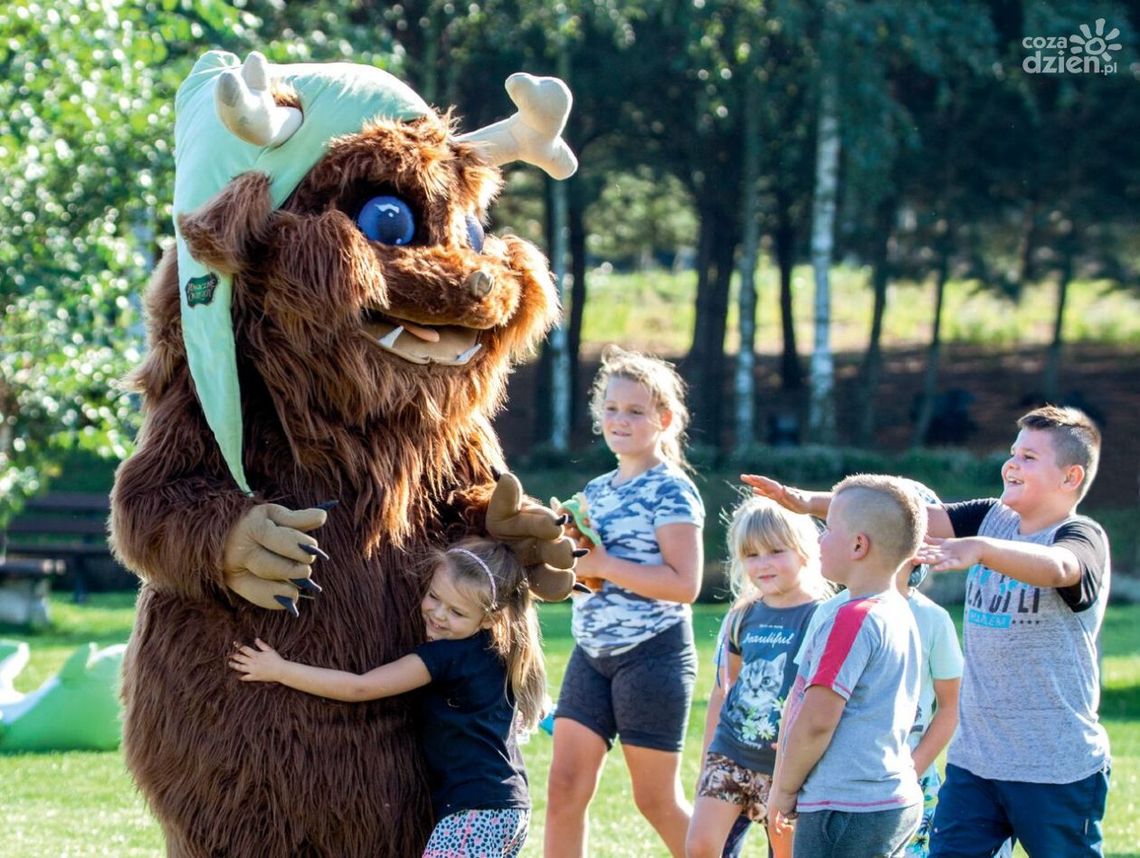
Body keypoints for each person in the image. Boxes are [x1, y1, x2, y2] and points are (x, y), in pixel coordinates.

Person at [744, 405, 1112, 857]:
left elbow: (1061, 569)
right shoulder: (990, 516)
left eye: (1030, 457)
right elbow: (896, 518)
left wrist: (981, 549)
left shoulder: (1081, 536)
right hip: (976, 764)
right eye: (1013, 452)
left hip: (1056, 767)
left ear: (1070, 477)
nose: (1012, 463)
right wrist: (808, 502)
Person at [229, 537, 544, 858]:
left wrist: (280, 670)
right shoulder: (495, 652)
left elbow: (361, 687)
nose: (437, 614)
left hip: (474, 814)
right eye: (434, 596)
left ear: (490, 619)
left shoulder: (446, 657)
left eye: (456, 612)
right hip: (508, 808)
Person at [545, 345, 705, 858]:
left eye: (635, 411)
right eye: (611, 409)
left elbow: (686, 585)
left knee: (655, 799)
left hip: (652, 654)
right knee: (565, 787)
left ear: (664, 419)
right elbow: (587, 573)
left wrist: (606, 566)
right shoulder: (596, 489)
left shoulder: (673, 491)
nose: (620, 420)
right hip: (590, 656)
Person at [767, 475, 926, 858]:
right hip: (891, 796)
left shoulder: (852, 619)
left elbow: (818, 719)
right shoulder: (898, 611)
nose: (819, 540)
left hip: (846, 805)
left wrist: (785, 788)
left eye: (827, 529)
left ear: (858, 545)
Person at [686, 497, 832, 858]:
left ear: (804, 552)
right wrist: (708, 757)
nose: (763, 564)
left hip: (787, 769)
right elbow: (723, 689)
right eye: (751, 555)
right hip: (731, 754)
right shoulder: (742, 615)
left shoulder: (822, 617)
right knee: (701, 847)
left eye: (775, 551)